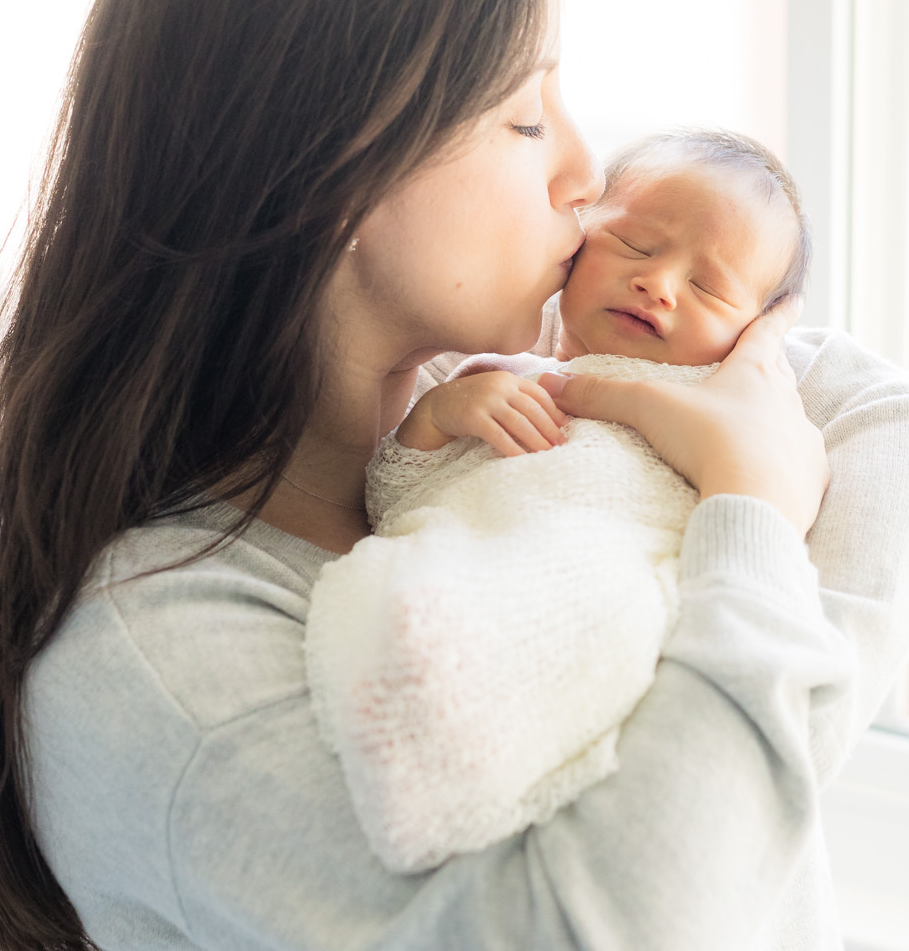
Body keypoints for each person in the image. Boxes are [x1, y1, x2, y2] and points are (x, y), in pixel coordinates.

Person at [0, 0, 909, 951]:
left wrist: (728, 730)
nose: (589, 176)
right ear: (333, 169)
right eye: (525, 117)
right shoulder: (155, 668)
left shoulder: (513, 401)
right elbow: (599, 932)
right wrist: (751, 529)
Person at [310, 128, 833, 873]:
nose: (661, 284)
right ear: (578, 245)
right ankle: (425, 731)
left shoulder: (734, 413)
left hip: (610, 606)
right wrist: (433, 422)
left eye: (710, 287)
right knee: (406, 609)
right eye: (636, 246)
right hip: (470, 588)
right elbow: (392, 505)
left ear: (753, 332)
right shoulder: (492, 376)